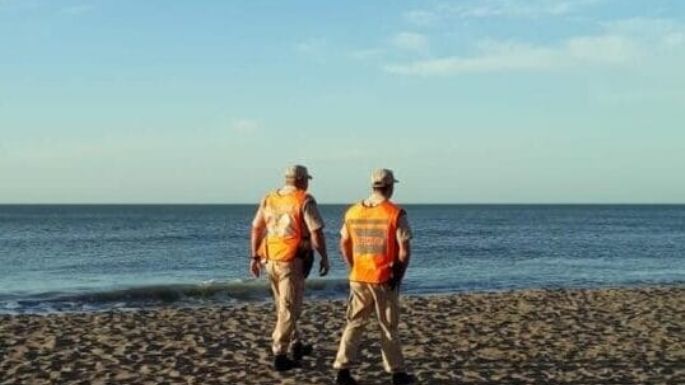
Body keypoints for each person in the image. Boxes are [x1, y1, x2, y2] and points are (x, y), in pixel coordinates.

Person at [333, 169, 415, 385]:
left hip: (359, 276)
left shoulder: (353, 212)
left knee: (354, 323)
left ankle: (342, 369)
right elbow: (404, 248)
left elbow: (343, 243)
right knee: (388, 326)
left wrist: (353, 266)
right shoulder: (394, 212)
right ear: (389, 187)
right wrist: (399, 274)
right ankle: (397, 371)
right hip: (383, 276)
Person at [250, 165, 331, 371]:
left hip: (270, 257)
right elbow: (316, 232)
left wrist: (254, 256)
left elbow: (257, 227)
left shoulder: (269, 198)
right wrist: (324, 256)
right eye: (307, 180)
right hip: (291, 259)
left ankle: (295, 343)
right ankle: (280, 353)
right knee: (289, 308)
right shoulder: (303, 199)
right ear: (302, 180)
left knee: (283, 304)